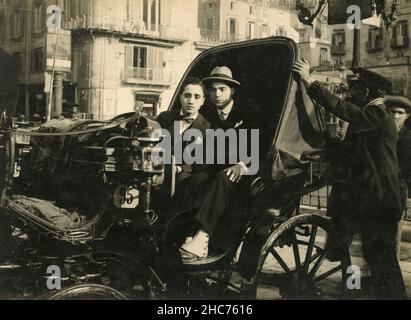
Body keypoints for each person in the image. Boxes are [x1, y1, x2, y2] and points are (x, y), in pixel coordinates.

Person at [293, 59, 406, 299]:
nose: (350, 93)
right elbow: (349, 152)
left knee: (383, 265)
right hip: (371, 203)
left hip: (380, 204)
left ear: (365, 91)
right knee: (374, 261)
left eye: (354, 89)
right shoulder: (370, 119)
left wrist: (310, 82)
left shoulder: (377, 116)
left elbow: (343, 110)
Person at [178, 66, 254, 262]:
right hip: (218, 169)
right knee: (193, 179)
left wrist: (241, 165)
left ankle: (203, 237)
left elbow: (260, 149)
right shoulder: (210, 116)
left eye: (222, 89)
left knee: (223, 177)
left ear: (232, 91)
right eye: (212, 90)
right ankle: (188, 232)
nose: (217, 95)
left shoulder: (248, 114)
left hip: (246, 172)